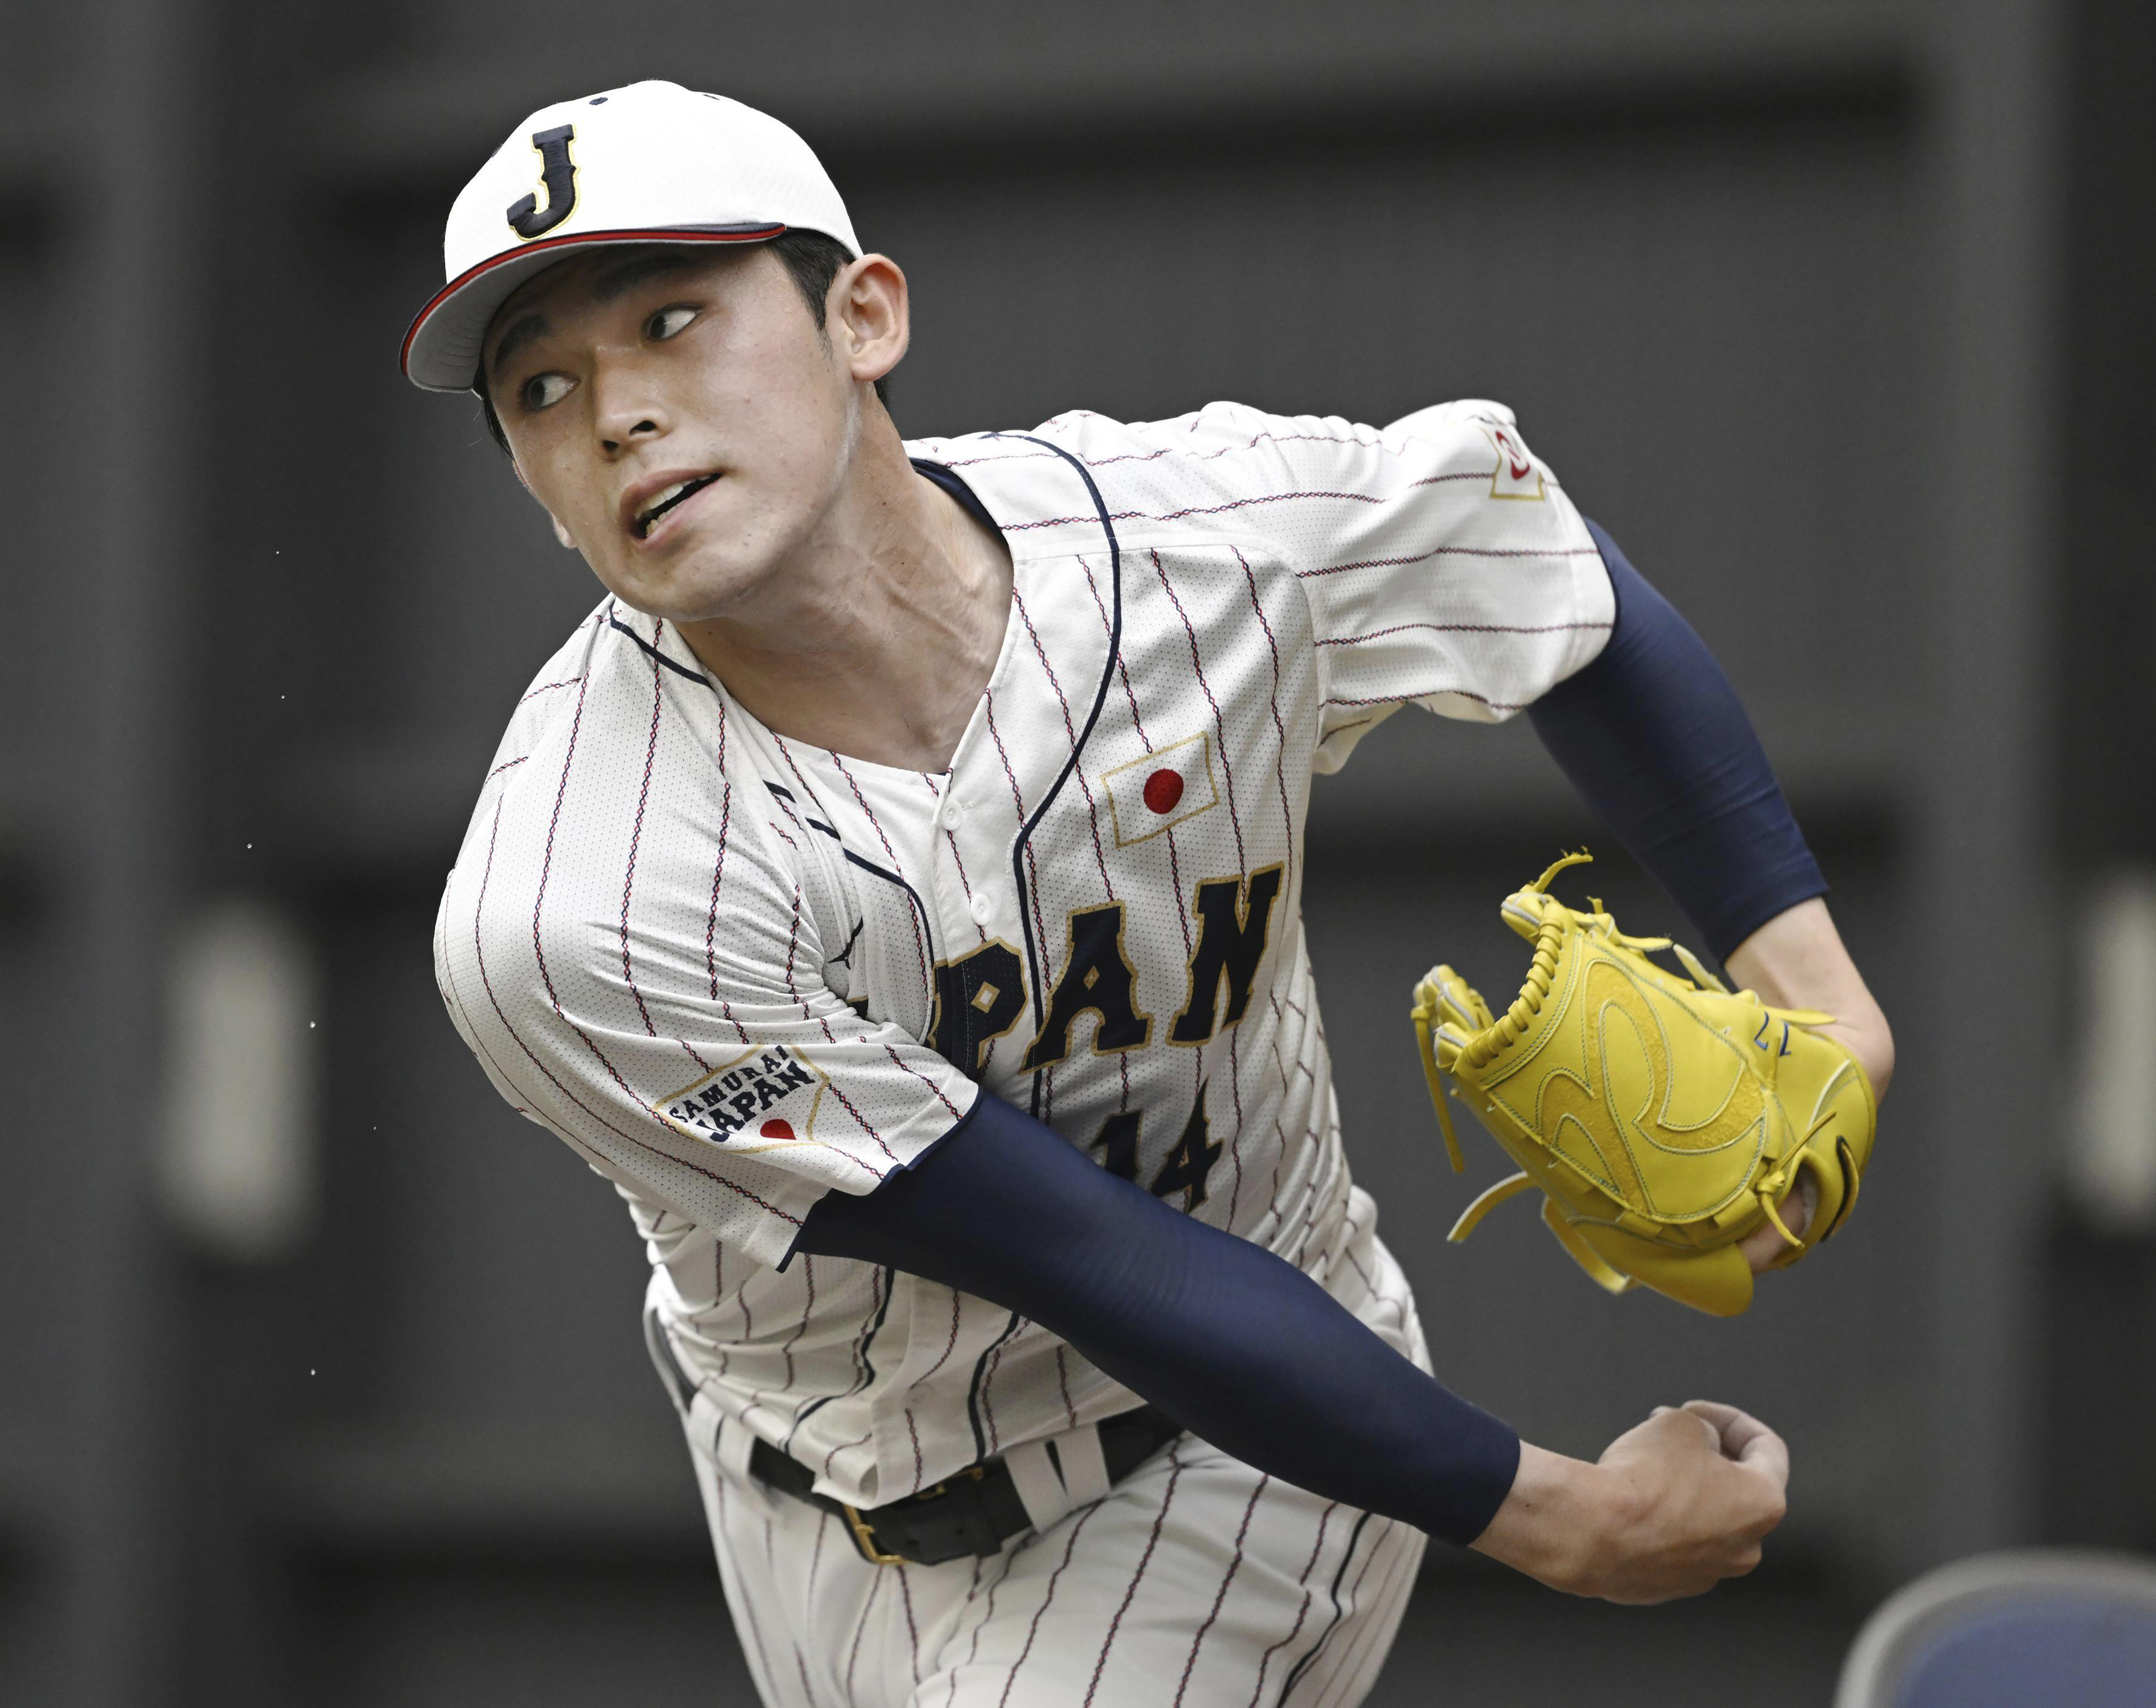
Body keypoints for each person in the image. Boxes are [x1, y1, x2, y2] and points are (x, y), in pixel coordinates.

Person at [409, 80, 1894, 1707]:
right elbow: (1059, 1242)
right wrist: (1568, 1514)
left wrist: (1815, 986)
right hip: (797, 1486)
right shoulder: (576, 899)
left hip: (1225, 1451)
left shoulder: (1205, 536)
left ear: (864, 315)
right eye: (542, 387)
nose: (617, 409)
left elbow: (1542, 567)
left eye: (674, 318)